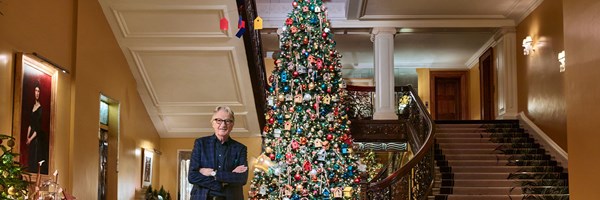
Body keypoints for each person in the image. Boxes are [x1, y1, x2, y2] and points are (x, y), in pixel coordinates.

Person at [188, 106, 248, 200]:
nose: (223, 125)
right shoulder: (200, 143)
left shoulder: (240, 148)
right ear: (212, 123)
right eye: (218, 120)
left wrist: (213, 173)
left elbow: (242, 178)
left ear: (232, 125)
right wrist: (220, 184)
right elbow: (192, 176)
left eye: (228, 121)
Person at [26, 80, 49, 173]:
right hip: (31, 136)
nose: (37, 93)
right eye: (36, 91)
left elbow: (38, 128)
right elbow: (30, 124)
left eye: (38, 91)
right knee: (30, 158)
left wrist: (30, 139)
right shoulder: (32, 106)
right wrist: (27, 137)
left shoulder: (40, 108)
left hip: (36, 138)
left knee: (35, 159)